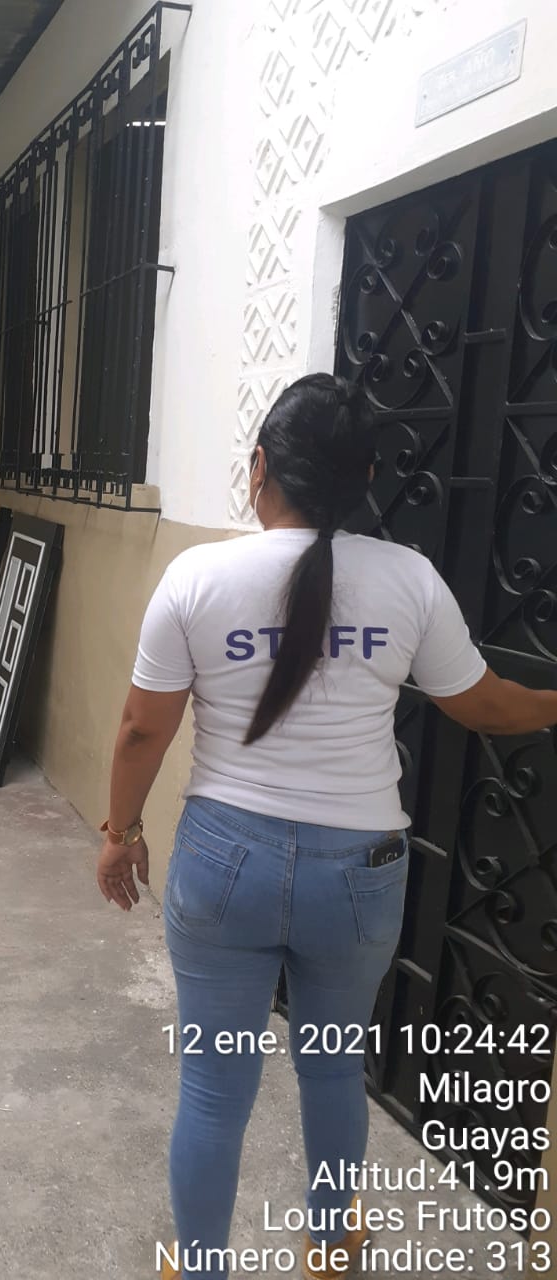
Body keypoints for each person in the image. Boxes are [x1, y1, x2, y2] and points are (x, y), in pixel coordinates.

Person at [95, 373, 557, 1280]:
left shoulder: (198, 577)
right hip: (358, 874)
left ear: (260, 467)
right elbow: (487, 706)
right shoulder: (409, 580)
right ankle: (331, 1243)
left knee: (214, 1088)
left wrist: (121, 831)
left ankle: (200, 1266)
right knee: (334, 1069)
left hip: (224, 865)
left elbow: (143, 729)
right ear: (366, 477)